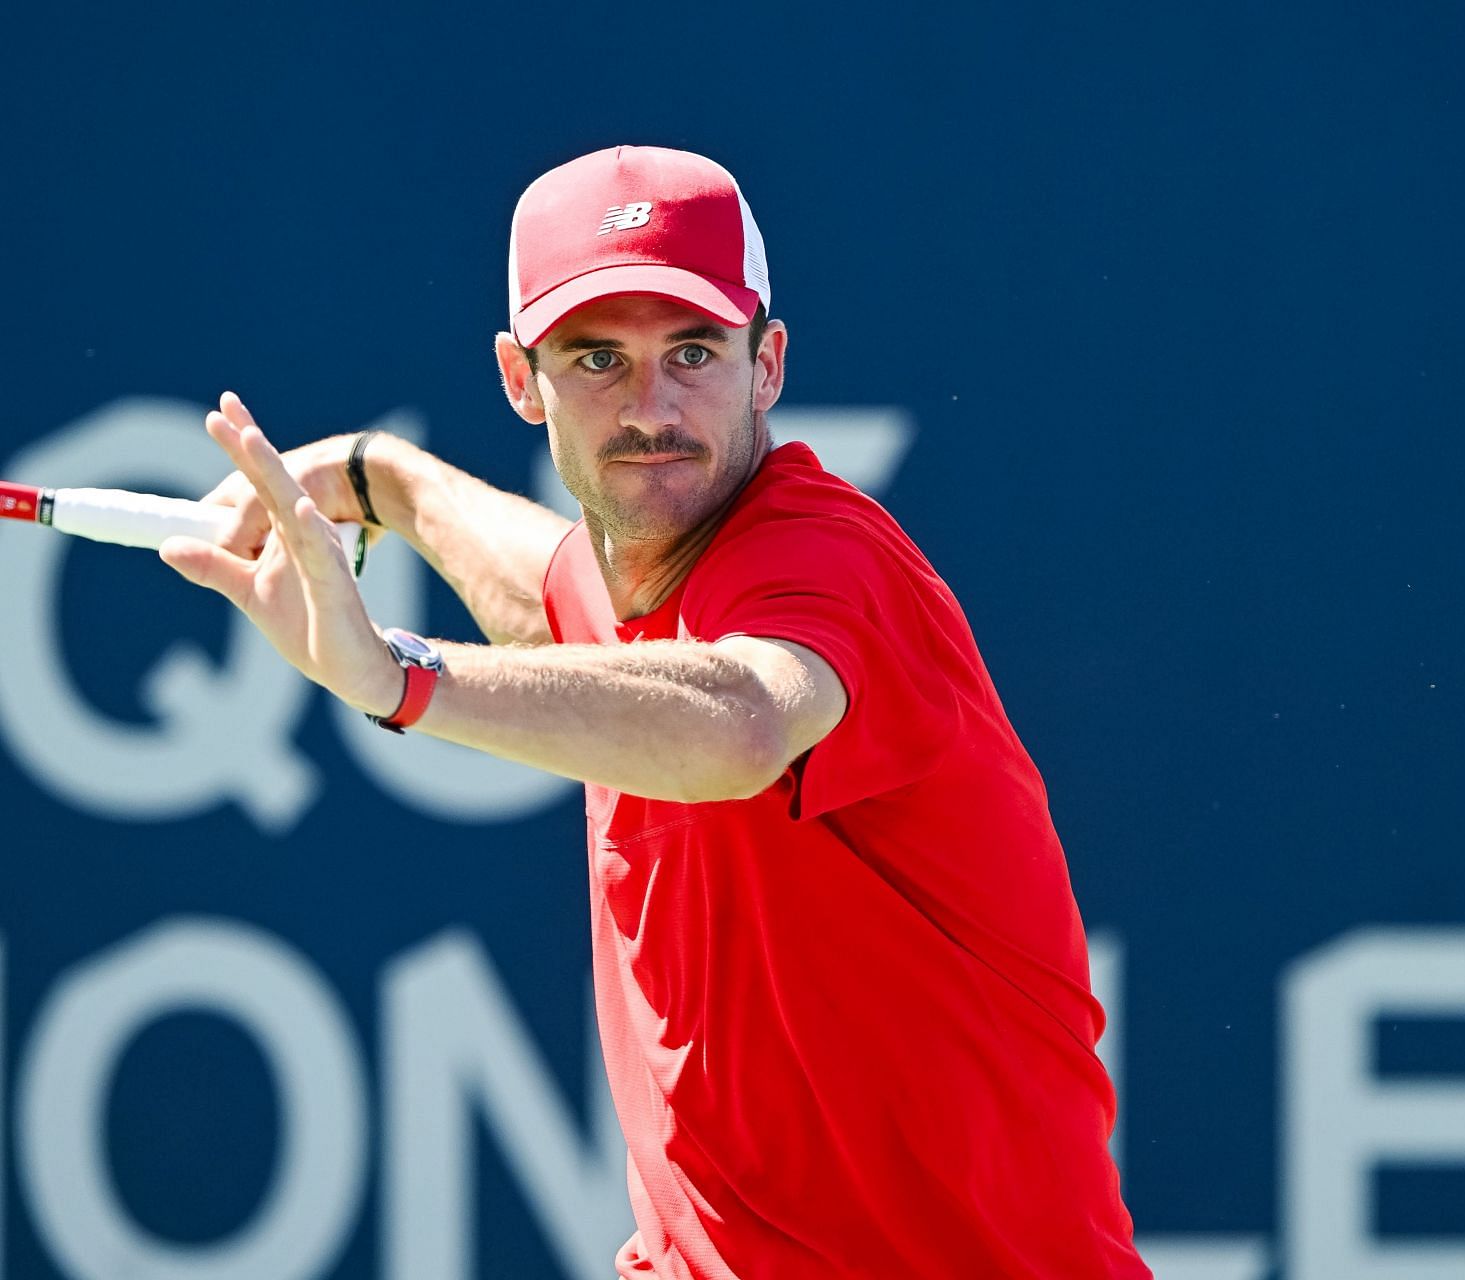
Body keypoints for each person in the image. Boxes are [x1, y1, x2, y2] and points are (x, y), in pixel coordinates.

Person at [162, 145, 1149, 1279]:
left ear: (767, 363)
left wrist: (396, 674)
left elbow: (735, 722)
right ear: (519, 380)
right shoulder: (636, 579)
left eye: (693, 352)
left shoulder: (826, 562)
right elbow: (549, 588)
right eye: (595, 359)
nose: (652, 407)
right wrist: (383, 477)